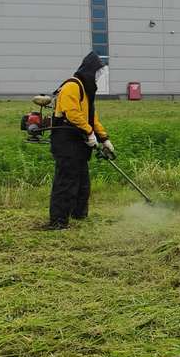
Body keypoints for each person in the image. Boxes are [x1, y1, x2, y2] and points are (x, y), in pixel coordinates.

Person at [47, 51, 114, 230]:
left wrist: (104, 138)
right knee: (66, 181)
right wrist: (89, 132)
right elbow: (73, 113)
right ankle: (58, 222)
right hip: (66, 140)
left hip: (79, 141)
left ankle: (78, 214)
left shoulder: (86, 89)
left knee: (82, 180)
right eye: (97, 73)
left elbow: (92, 117)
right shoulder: (72, 86)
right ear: (89, 71)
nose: (98, 77)